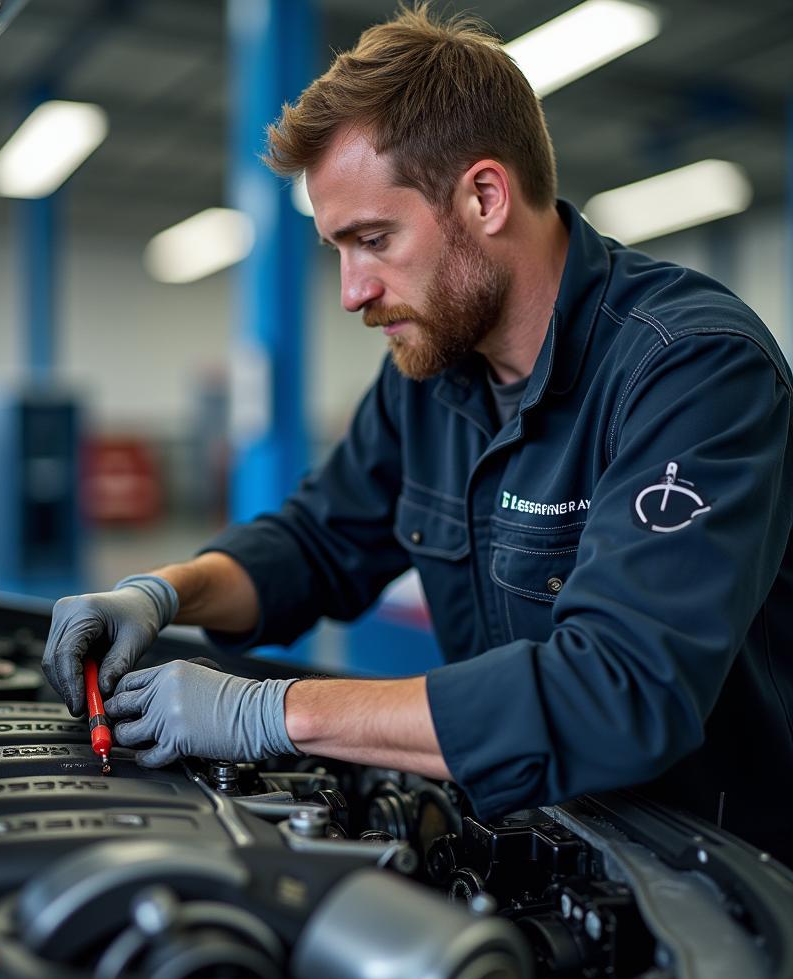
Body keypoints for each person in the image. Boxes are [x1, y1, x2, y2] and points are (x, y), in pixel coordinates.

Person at [43, 3, 793, 863]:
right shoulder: (433, 375)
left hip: (721, 893)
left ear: (483, 196)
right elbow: (319, 542)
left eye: (372, 240)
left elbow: (618, 693)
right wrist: (161, 593)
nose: (351, 291)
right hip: (534, 850)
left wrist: (267, 714)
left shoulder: (691, 368)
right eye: (336, 248)